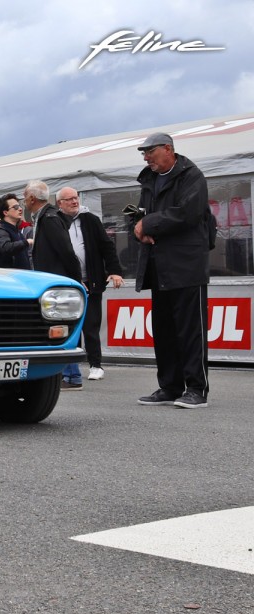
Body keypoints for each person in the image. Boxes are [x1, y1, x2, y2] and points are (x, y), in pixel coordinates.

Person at [132, 133, 213, 409]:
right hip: (158, 265)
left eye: (149, 152)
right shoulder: (149, 179)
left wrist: (149, 224)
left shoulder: (192, 176)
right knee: (164, 331)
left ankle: (197, 389)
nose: (146, 158)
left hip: (186, 265)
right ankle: (169, 386)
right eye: (143, 153)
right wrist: (137, 228)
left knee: (191, 331)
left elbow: (188, 213)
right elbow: (141, 217)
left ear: (168, 149)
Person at [56, 188, 125, 383]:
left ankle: (96, 365)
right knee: (69, 327)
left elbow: (107, 246)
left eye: (75, 198)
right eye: (68, 199)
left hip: (91, 281)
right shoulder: (55, 222)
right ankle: (70, 367)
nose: (73, 202)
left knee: (91, 325)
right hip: (68, 283)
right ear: (60, 203)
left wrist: (115, 271)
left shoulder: (90, 220)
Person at [27, 180, 83, 390]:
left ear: (32, 198)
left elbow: (67, 251)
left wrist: (76, 281)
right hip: (53, 282)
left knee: (62, 327)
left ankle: (71, 376)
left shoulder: (49, 218)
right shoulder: (45, 217)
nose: (24, 201)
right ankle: (67, 375)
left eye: (24, 197)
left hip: (58, 283)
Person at [0, 193, 33, 269]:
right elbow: (6, 248)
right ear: (5, 212)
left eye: (19, 206)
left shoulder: (16, 231)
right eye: (15, 207)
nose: (20, 209)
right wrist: (26, 242)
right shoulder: (0, 231)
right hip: (10, 277)